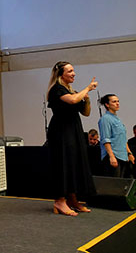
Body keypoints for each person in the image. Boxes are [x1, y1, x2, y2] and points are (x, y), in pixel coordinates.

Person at [46, 61, 97, 216]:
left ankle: (72, 199)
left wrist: (87, 98)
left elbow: (86, 112)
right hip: (61, 131)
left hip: (73, 129)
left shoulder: (71, 90)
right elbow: (73, 101)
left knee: (74, 163)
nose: (74, 73)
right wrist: (87, 88)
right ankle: (59, 201)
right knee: (64, 163)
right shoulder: (57, 90)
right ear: (61, 74)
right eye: (70, 71)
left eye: (73, 70)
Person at [98, 94, 134, 178]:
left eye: (118, 101)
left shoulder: (118, 119)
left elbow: (123, 138)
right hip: (113, 156)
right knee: (113, 186)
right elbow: (105, 139)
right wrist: (111, 156)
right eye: (114, 102)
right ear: (107, 104)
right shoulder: (105, 119)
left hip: (123, 156)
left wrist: (129, 153)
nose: (117, 103)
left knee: (122, 185)